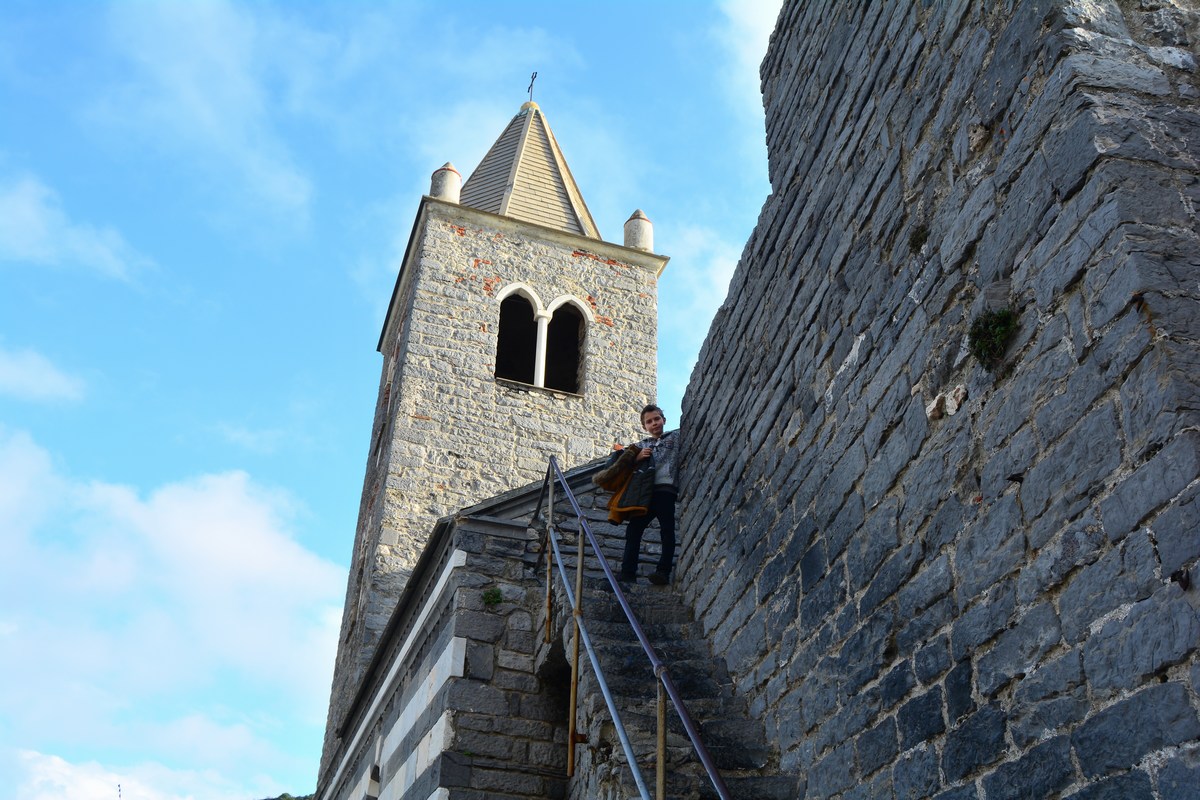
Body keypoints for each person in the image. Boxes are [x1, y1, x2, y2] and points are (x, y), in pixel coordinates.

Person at [618, 404, 678, 585]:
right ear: (644, 427)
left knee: (667, 530)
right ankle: (628, 573)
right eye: (649, 422)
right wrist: (637, 458)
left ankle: (663, 572)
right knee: (634, 530)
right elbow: (622, 463)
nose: (654, 423)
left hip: (666, 491)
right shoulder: (640, 446)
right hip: (645, 494)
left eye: (657, 419)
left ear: (664, 420)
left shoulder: (675, 437)